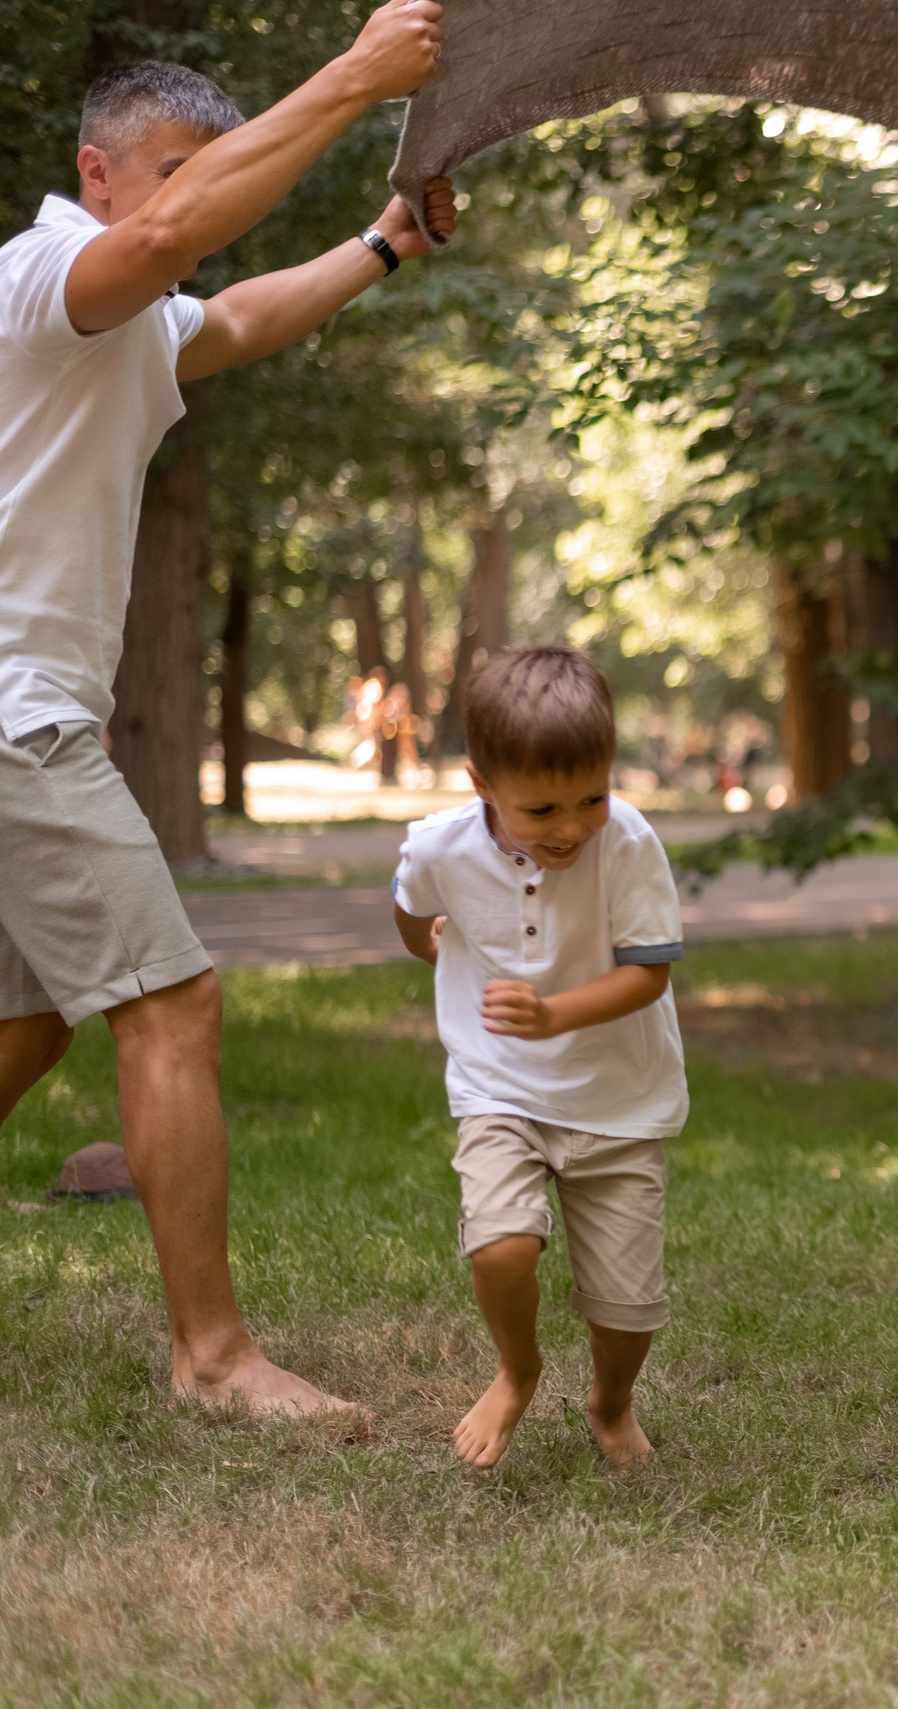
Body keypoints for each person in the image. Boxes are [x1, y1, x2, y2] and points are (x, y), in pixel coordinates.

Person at [0, 6, 454, 1414]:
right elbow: (166, 251)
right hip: (15, 718)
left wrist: (387, 244)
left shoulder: (127, 321)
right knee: (171, 999)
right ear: (99, 171)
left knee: (32, 1023)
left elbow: (241, 314)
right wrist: (355, 79)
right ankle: (213, 1359)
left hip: (22, 709)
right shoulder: (46, 272)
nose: (207, 208)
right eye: (185, 176)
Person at [391, 648, 687, 1469]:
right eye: (543, 807)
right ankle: (517, 1371)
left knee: (628, 1309)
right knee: (501, 1243)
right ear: (481, 781)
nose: (570, 826)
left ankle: (611, 1400)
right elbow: (412, 906)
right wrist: (431, 944)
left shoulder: (624, 841)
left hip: (619, 1095)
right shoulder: (441, 847)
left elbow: (648, 971)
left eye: (592, 795)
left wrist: (553, 1012)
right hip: (500, 1084)